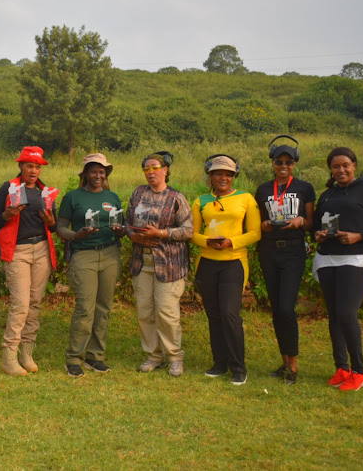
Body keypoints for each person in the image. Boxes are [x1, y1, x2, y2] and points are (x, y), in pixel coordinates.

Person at [312, 147, 363, 391]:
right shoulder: (326, 194)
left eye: (345, 165)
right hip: (327, 259)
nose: (341, 170)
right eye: (336, 166)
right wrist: (318, 234)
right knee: (335, 315)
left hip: (357, 258)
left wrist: (360, 236)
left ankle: (359, 371)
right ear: (331, 169)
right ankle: (342, 368)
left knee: (347, 313)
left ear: (354, 165)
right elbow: (316, 226)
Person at [192, 154, 260, 385]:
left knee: (230, 314)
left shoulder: (246, 198)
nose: (223, 177)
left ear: (234, 176)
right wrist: (207, 242)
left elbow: (255, 232)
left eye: (228, 174)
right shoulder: (201, 201)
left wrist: (231, 242)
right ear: (210, 176)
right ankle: (219, 363)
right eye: (218, 173)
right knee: (213, 315)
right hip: (207, 262)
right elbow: (192, 233)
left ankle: (238, 367)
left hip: (234, 262)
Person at [0, 146, 57, 376]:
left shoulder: (45, 192)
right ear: (20, 166)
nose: (34, 170)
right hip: (17, 250)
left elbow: (54, 226)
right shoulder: (9, 189)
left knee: (35, 302)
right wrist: (7, 215)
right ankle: (9, 355)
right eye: (29, 165)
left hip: (41, 250)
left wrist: (51, 222)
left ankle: (27, 352)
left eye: (37, 166)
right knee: (21, 304)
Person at [57, 153, 125, 378]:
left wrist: (122, 231)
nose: (98, 175)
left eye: (101, 171)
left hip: (109, 253)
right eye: (93, 171)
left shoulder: (112, 197)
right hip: (83, 255)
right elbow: (60, 227)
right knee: (85, 308)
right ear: (85, 173)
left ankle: (95, 356)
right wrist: (75, 235)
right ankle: (74, 358)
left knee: (103, 308)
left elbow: (121, 225)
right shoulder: (73, 197)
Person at [126, 151, 193, 377]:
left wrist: (162, 233)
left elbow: (188, 230)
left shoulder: (176, 198)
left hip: (169, 265)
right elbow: (127, 223)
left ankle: (174, 356)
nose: (150, 172)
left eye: (155, 167)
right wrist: (132, 236)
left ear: (165, 170)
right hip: (142, 262)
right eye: (146, 168)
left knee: (166, 313)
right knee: (145, 312)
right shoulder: (137, 194)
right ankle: (154, 355)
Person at [255, 136, 315, 384]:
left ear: (294, 164)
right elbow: (258, 222)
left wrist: (301, 221)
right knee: (276, 309)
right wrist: (265, 225)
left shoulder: (304, 188)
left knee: (286, 308)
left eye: (288, 162)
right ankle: (284, 362)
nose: (283, 166)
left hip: (292, 250)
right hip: (269, 250)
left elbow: (311, 223)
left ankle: (294, 366)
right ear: (272, 162)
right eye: (279, 161)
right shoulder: (263, 190)